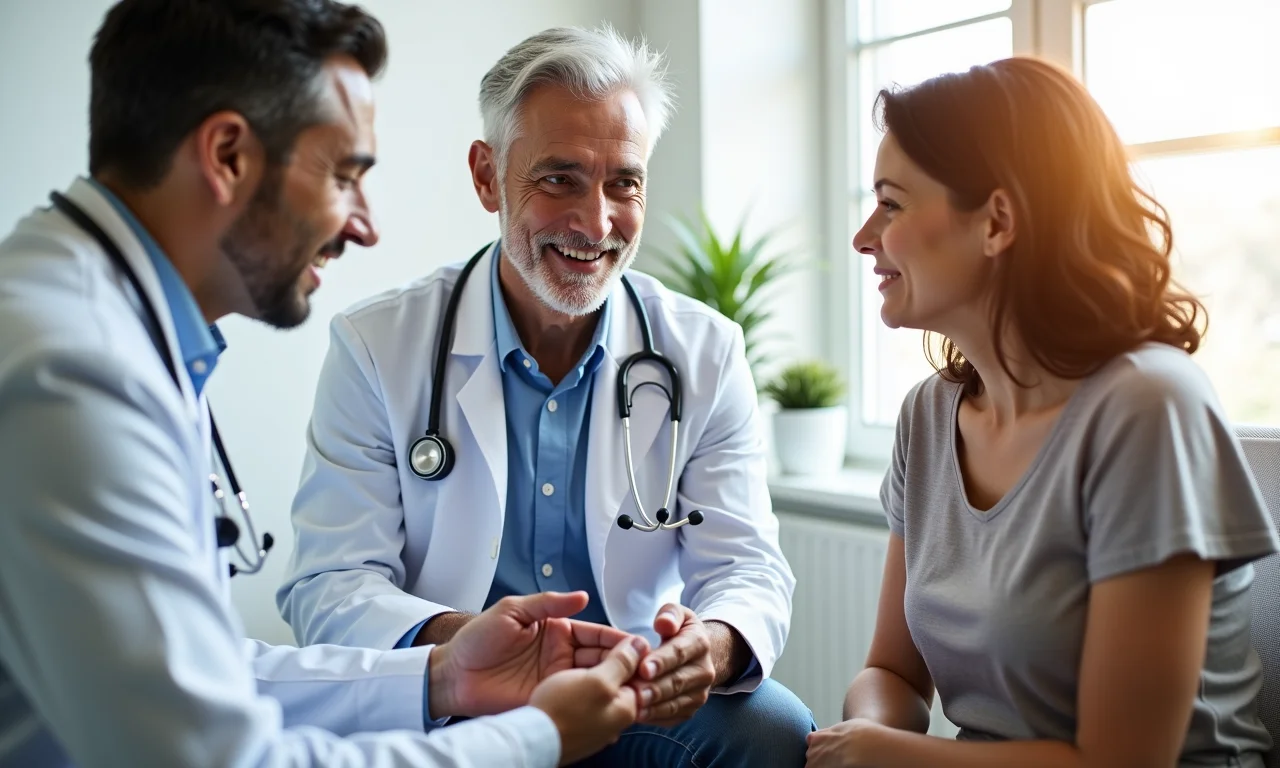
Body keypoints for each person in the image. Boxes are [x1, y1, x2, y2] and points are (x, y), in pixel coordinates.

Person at [0, 1, 658, 765]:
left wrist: (442, 676)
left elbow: (203, 674)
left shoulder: (94, 317)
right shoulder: (75, 371)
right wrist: (537, 738)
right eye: (345, 174)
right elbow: (218, 757)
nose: (364, 224)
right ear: (227, 156)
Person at [276, 24, 814, 767]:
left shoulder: (705, 350)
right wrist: (465, 645)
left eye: (623, 182)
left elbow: (746, 565)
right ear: (487, 175)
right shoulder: (377, 345)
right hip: (458, 700)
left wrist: (713, 646)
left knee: (774, 730)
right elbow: (330, 583)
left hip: (630, 693)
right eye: (559, 179)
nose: (596, 222)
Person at [805, 56, 1280, 768]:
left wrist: (896, 759)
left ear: (997, 221)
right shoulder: (927, 418)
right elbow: (894, 676)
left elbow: (1125, 762)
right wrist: (869, 736)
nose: (865, 235)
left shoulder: (1148, 406)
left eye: (893, 203)